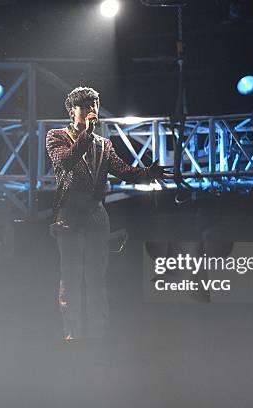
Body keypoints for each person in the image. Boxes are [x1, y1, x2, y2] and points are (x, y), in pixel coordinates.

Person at [46, 86, 172, 341]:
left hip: (95, 211)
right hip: (69, 212)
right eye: (87, 107)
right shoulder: (55, 136)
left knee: (96, 275)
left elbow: (123, 170)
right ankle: (72, 334)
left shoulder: (104, 144)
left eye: (95, 105)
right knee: (70, 274)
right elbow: (66, 163)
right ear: (73, 112)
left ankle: (98, 333)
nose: (93, 111)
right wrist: (86, 134)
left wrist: (147, 173)